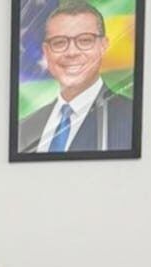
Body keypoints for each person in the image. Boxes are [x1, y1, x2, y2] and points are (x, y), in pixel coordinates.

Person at [19, 0, 133, 153]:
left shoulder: (132, 118)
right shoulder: (25, 128)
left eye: (85, 40)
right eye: (59, 42)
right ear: (46, 51)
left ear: (103, 46)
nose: (71, 52)